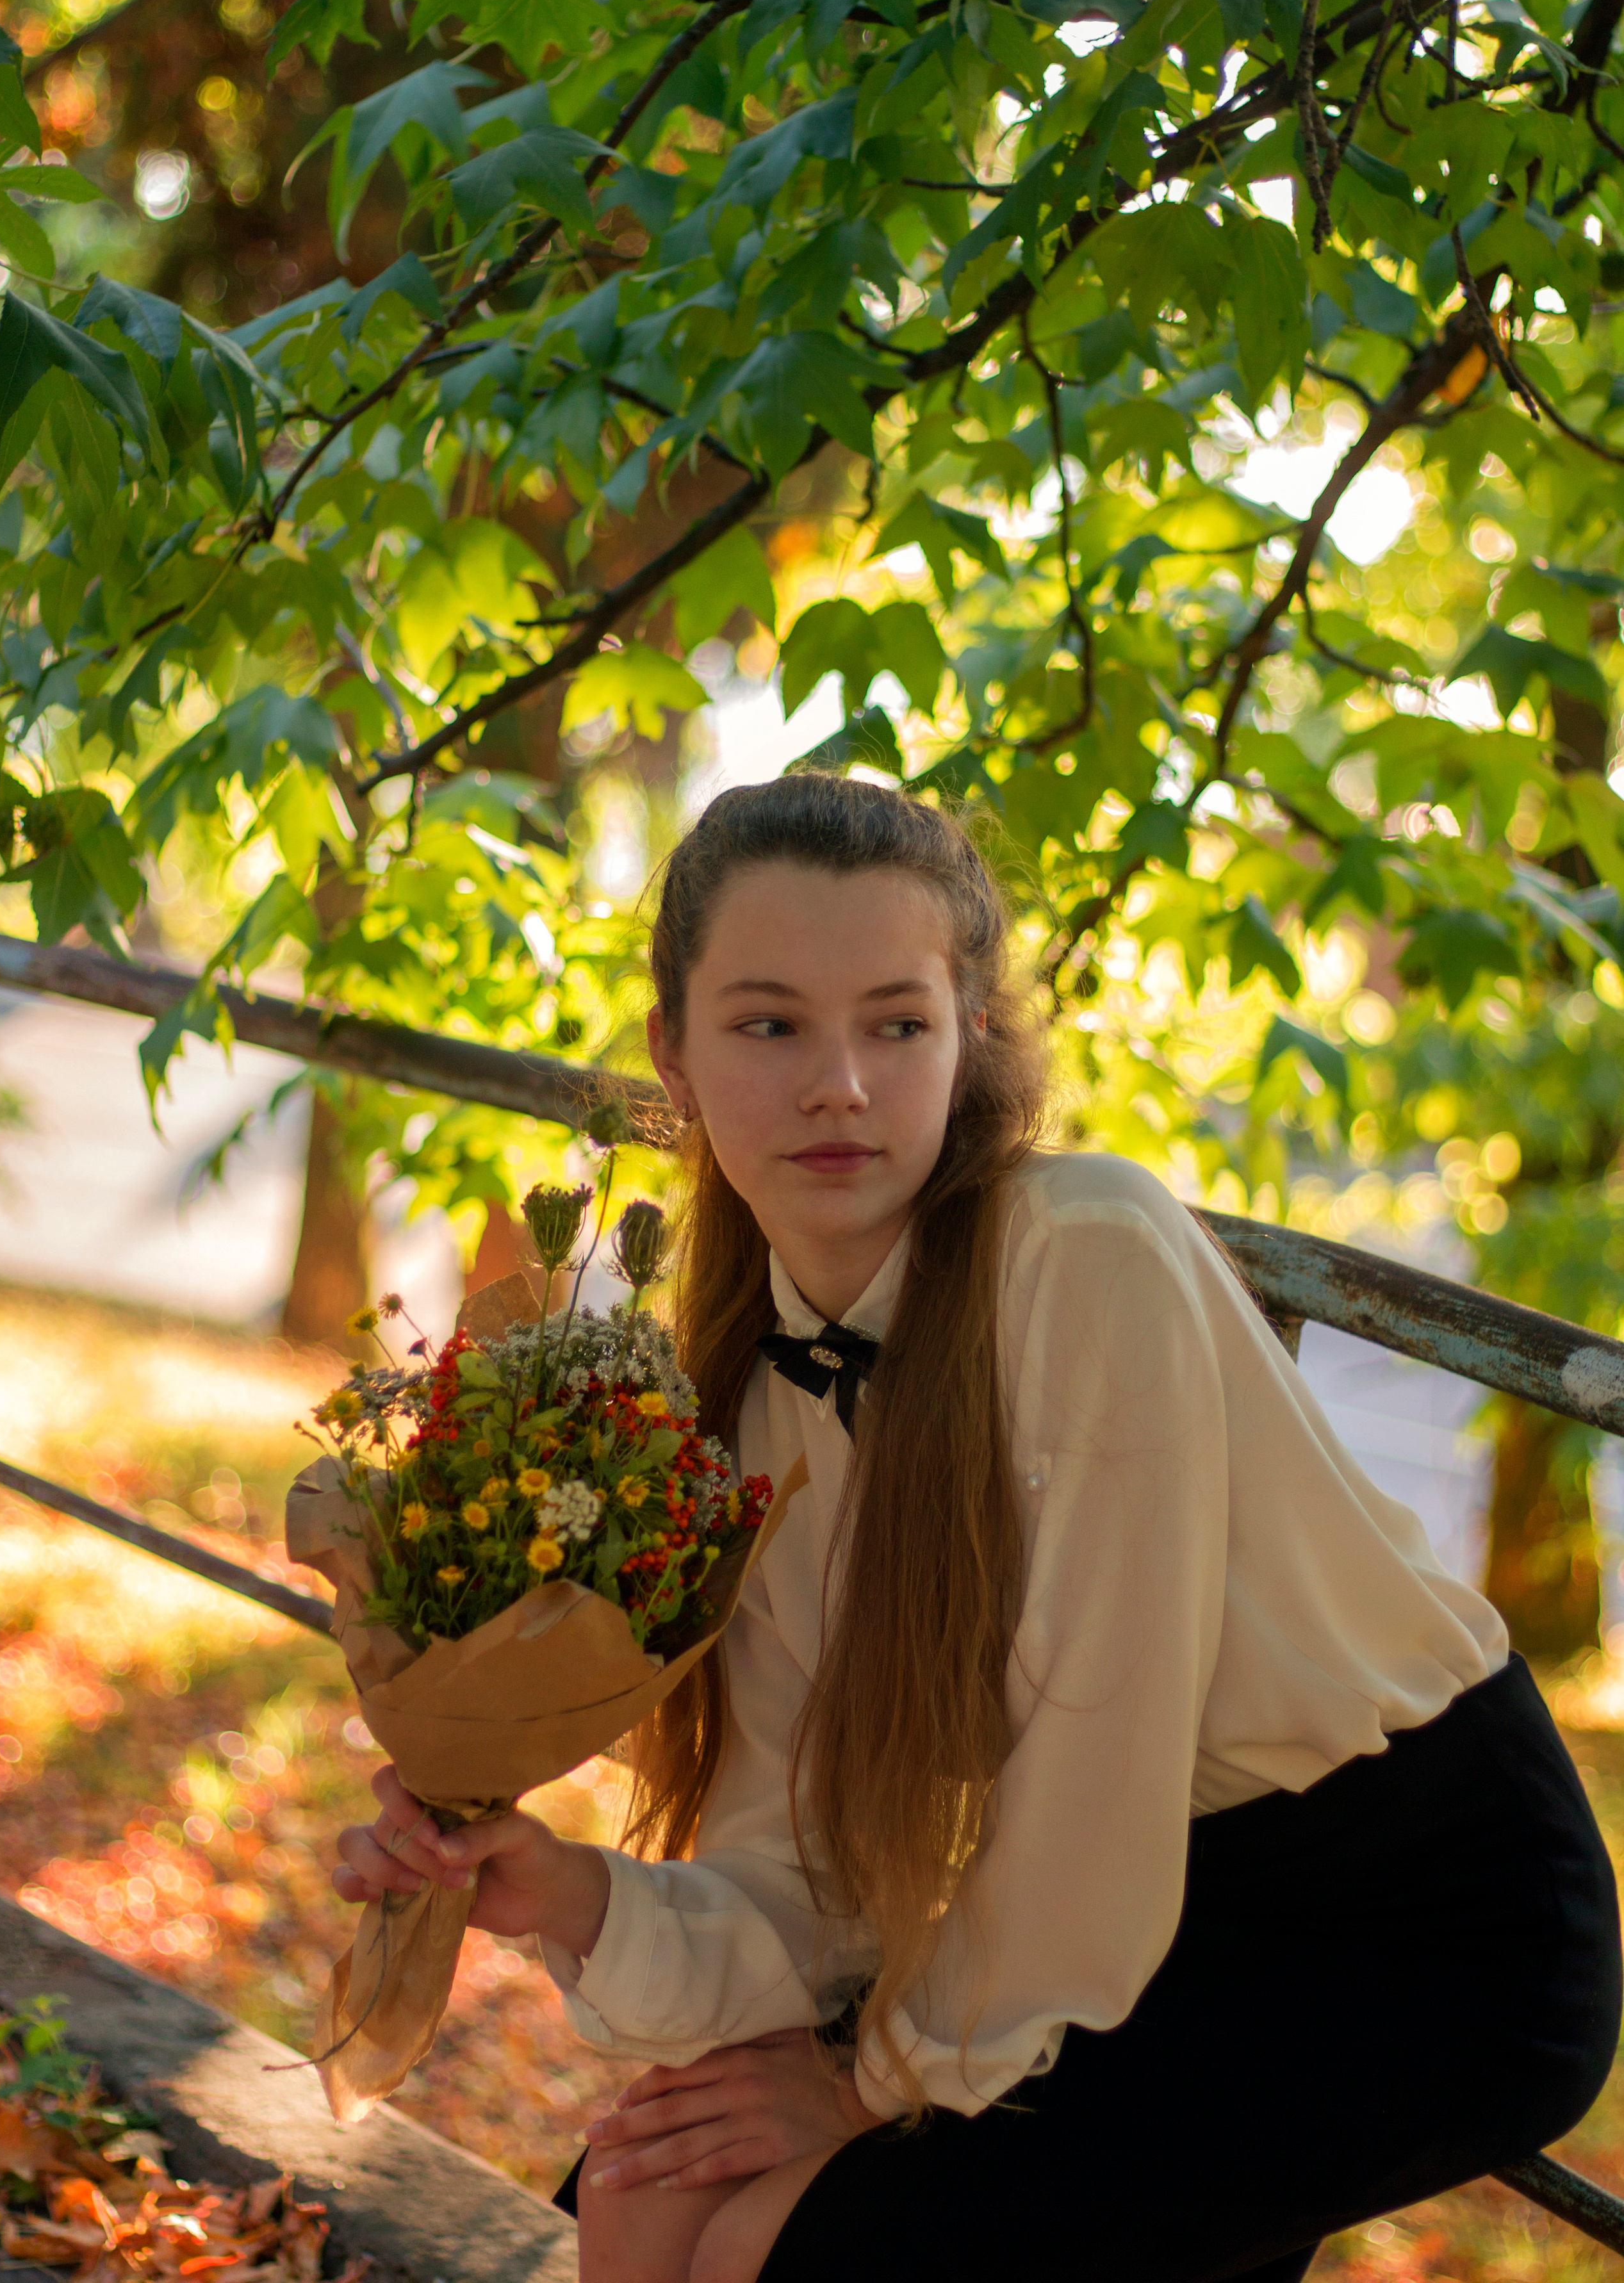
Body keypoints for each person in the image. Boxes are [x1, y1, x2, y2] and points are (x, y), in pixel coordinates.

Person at [333, 774, 1621, 2283]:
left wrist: (866, 2082)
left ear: (969, 1039)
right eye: (769, 1026)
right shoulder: (748, 1400)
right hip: (1131, 1925)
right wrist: (568, 1892)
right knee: (631, 2198)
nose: (840, 1086)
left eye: (895, 1023)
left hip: (1416, 1928)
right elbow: (803, 1871)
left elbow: (1095, 1758)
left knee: (775, 2240)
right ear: (670, 1059)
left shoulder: (1087, 1254)